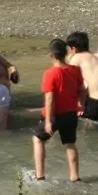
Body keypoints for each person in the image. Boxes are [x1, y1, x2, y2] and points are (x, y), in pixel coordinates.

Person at [33, 39, 86, 182]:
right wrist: (80, 105)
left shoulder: (50, 74)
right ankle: (74, 177)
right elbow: (82, 90)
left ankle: (39, 176)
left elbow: (50, 99)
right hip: (71, 114)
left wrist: (48, 121)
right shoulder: (75, 70)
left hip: (55, 115)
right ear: (66, 53)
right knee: (70, 143)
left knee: (38, 139)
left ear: (50, 55)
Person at [65, 31, 98, 121]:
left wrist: (80, 104)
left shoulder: (77, 58)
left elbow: (68, 86)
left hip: (96, 108)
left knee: (62, 107)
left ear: (73, 49)